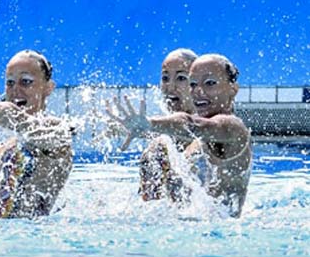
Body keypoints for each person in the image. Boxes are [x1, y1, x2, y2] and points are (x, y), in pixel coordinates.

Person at [107, 53, 251, 217]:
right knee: (156, 149)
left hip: (221, 228)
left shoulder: (233, 128)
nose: (198, 91)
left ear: (233, 89)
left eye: (210, 83)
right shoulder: (178, 139)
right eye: (193, 84)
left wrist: (149, 123)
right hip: (183, 224)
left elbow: (192, 124)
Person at [0, 50, 74, 218]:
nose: (15, 90)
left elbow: (18, 119)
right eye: (10, 83)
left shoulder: (56, 131)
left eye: (26, 81)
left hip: (35, 230)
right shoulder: (5, 147)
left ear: (48, 88)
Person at [138, 48, 198, 201]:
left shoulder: (213, 132)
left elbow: (187, 123)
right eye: (165, 78)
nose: (170, 87)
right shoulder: (160, 144)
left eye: (181, 78)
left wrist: (149, 124)